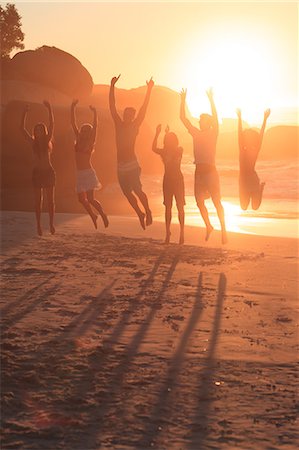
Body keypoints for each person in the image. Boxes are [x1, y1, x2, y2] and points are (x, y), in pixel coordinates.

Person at [180, 88, 227, 244]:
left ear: (208, 122)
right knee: (199, 203)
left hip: (211, 173)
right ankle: (209, 226)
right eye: (199, 120)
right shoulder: (196, 133)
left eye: (202, 120)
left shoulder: (213, 133)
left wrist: (211, 99)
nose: (199, 122)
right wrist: (182, 100)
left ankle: (224, 230)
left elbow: (216, 117)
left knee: (216, 201)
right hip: (199, 173)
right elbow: (183, 118)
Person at [109, 74, 154, 229]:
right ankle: (140, 213)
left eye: (130, 115)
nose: (128, 116)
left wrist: (149, 90)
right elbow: (112, 107)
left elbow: (144, 109)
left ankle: (148, 211)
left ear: (133, 116)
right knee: (128, 193)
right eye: (126, 114)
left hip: (132, 164)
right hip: (120, 166)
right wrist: (112, 87)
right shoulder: (118, 124)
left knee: (137, 190)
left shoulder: (135, 125)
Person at [71, 99, 109, 229]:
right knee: (81, 200)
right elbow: (73, 123)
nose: (84, 132)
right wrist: (72, 107)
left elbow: (96, 127)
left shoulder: (90, 143)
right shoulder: (77, 141)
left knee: (91, 199)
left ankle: (102, 214)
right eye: (83, 130)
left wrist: (95, 113)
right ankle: (93, 215)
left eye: (87, 131)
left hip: (88, 173)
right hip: (80, 174)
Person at [21, 101, 56, 236]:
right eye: (37, 130)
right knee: (38, 201)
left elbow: (52, 125)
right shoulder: (32, 142)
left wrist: (50, 109)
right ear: (35, 132)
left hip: (48, 172)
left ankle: (51, 224)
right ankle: (38, 225)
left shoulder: (47, 141)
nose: (39, 131)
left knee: (51, 201)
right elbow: (21, 129)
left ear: (44, 131)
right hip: (37, 174)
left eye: (41, 129)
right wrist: (24, 113)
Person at [152, 124, 185, 244]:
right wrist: (157, 133)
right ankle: (167, 233)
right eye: (168, 140)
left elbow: (172, 157)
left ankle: (182, 233)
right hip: (168, 181)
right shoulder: (164, 152)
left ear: (175, 141)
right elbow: (153, 148)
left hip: (178, 181)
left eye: (172, 140)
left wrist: (166, 134)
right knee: (168, 208)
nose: (170, 142)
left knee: (180, 207)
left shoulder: (179, 150)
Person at [236, 108, 270, 210]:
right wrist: (239, 118)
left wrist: (265, 119)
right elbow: (239, 135)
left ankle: (260, 189)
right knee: (243, 207)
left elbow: (261, 136)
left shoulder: (255, 150)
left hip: (252, 179)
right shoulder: (242, 149)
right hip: (243, 180)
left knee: (255, 207)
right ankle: (259, 189)